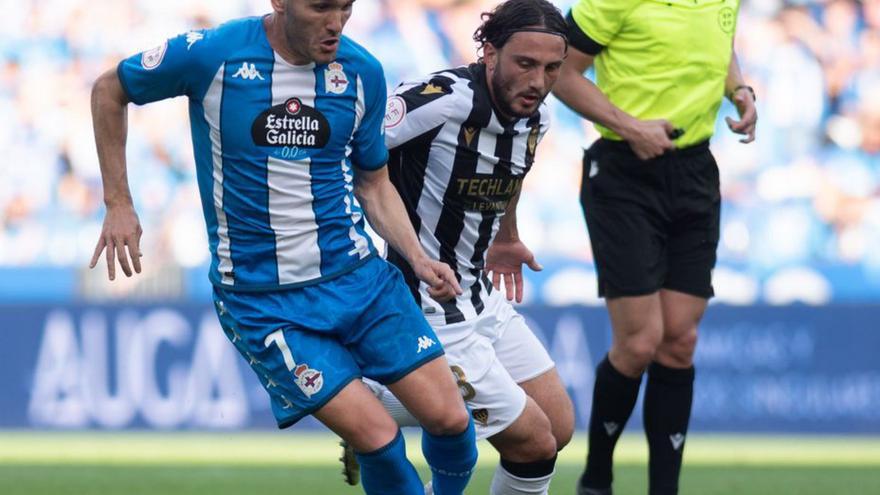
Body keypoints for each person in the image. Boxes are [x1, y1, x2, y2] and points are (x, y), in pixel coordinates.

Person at [88, 1, 480, 494]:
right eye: (320, 7)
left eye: (346, 7)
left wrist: (418, 258)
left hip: (360, 281)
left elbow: (374, 184)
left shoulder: (362, 72)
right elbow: (109, 89)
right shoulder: (214, 55)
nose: (336, 22)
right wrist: (118, 201)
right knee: (378, 437)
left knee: (451, 420)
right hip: (265, 302)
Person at [340, 1, 575, 494]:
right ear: (489, 52)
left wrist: (506, 236)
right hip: (425, 305)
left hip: (479, 293)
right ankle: (362, 412)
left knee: (560, 423)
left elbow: (508, 176)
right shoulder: (441, 100)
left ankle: (370, 408)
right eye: (525, 64)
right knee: (534, 444)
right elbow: (351, 149)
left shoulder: (538, 119)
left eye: (552, 68)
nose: (538, 81)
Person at [551, 1, 757, 494]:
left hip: (695, 171)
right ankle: (597, 476)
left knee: (680, 342)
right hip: (624, 172)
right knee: (640, 342)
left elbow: (718, 43)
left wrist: (740, 89)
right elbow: (561, 73)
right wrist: (630, 126)